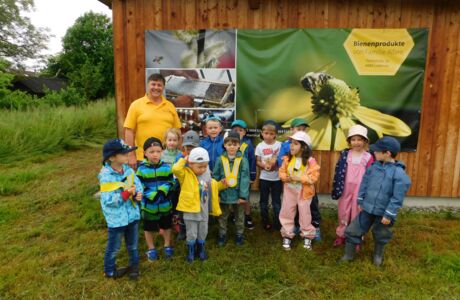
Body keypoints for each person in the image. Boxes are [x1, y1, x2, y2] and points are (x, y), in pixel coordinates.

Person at [339, 136, 411, 266]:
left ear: (387, 153)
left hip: (383, 213)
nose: (374, 153)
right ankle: (348, 255)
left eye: (377, 151)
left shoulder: (399, 173)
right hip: (367, 209)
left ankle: (378, 255)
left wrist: (389, 213)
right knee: (353, 230)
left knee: (381, 233)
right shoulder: (373, 167)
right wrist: (361, 200)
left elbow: (397, 197)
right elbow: (364, 183)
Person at [98, 139, 143, 280]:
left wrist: (137, 195)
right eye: (124, 153)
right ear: (112, 157)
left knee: (133, 246)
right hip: (116, 220)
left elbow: (138, 186)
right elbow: (108, 201)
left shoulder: (129, 170)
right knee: (114, 248)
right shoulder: (106, 176)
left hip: (132, 216)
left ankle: (134, 267)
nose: (128, 155)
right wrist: (126, 194)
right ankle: (109, 271)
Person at [172, 147, 226, 262]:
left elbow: (212, 186)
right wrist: (184, 159)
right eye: (199, 166)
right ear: (191, 164)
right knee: (191, 232)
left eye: (205, 166)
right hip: (190, 211)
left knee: (203, 230)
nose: (202, 169)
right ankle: (191, 250)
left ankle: (201, 248)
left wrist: (222, 185)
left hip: (203, 210)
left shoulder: (206, 174)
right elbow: (175, 169)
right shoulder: (185, 174)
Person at [277, 118, 322, 241]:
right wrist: (284, 177)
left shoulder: (310, 161)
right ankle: (287, 233)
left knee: (305, 214)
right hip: (289, 191)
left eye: (295, 144)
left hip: (304, 193)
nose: (291, 146)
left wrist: (300, 178)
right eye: (291, 143)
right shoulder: (287, 159)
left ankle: (307, 234)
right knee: (287, 212)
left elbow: (314, 177)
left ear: (304, 148)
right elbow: (281, 171)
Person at [124, 73, 181, 169]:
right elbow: (129, 131)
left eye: (159, 85)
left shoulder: (170, 106)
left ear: (163, 87)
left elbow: (177, 131)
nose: (156, 87)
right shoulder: (136, 105)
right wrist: (130, 155)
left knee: (167, 183)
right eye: (153, 84)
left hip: (167, 158)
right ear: (148, 85)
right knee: (145, 183)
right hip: (142, 157)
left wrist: (178, 153)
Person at [332, 125, 374, 248]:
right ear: (349, 141)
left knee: (357, 213)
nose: (356, 142)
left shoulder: (368, 157)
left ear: (365, 141)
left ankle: (356, 237)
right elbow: (339, 171)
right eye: (353, 139)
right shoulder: (346, 154)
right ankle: (342, 234)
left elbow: (371, 175)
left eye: (359, 139)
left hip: (360, 190)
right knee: (343, 211)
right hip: (345, 188)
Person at [136, 137, 175, 261]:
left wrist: (163, 191)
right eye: (151, 152)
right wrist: (151, 195)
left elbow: (172, 181)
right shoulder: (141, 169)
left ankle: (167, 245)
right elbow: (139, 185)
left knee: (167, 225)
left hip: (164, 204)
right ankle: (151, 248)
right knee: (148, 228)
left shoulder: (166, 167)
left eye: (158, 151)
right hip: (149, 206)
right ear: (145, 153)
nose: (155, 155)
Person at [213, 131, 250, 246]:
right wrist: (217, 194)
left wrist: (243, 196)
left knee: (239, 215)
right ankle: (222, 234)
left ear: (239, 145)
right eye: (229, 144)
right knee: (223, 216)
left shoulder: (243, 160)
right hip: (224, 194)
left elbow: (245, 178)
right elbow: (216, 177)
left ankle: (239, 234)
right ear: (224, 145)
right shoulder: (220, 160)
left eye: (235, 144)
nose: (232, 147)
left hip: (238, 194)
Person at [255, 120, 282, 230]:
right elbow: (257, 161)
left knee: (276, 202)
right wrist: (264, 166)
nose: (268, 136)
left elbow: (283, 160)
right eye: (266, 133)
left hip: (277, 179)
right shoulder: (259, 146)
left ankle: (277, 222)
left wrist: (277, 165)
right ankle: (265, 221)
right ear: (262, 133)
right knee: (263, 201)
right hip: (264, 178)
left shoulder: (280, 145)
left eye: (271, 134)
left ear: (275, 134)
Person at [231, 120, 256, 230]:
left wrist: (252, 175)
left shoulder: (248, 144)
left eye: (240, 130)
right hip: (232, 175)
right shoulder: (228, 143)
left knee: (245, 197)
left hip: (244, 176)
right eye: (235, 130)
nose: (238, 132)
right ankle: (234, 215)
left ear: (245, 133)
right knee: (232, 196)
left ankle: (247, 216)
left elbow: (252, 160)